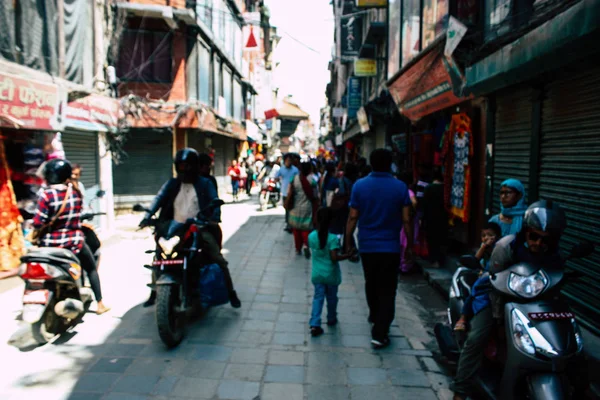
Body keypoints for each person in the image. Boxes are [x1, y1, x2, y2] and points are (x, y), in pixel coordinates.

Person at [451, 201, 568, 399]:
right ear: (526, 231)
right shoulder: (506, 247)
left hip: (533, 304)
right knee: (476, 339)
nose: (539, 244)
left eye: (545, 240)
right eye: (534, 237)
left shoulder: (554, 255)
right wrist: (497, 319)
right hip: (496, 298)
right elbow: (492, 282)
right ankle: (460, 391)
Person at [139, 149, 241, 308]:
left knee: (218, 259)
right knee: (159, 256)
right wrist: (148, 216)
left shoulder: (205, 183)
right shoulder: (172, 183)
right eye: (181, 165)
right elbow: (159, 198)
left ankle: (231, 292)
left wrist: (213, 216)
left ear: (194, 166)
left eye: (187, 165)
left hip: (198, 227)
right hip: (174, 228)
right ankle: (154, 293)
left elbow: (214, 200)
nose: (184, 169)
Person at [346, 149, 413, 349]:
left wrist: (348, 240)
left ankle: (376, 316)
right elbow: (407, 219)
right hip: (390, 246)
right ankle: (380, 330)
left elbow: (352, 216)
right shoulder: (400, 187)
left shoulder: (360, 185)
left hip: (367, 245)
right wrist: (409, 245)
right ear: (390, 164)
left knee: (371, 283)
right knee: (388, 288)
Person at [33, 159, 110, 315]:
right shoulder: (75, 193)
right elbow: (78, 214)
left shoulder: (46, 195)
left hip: (48, 245)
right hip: (73, 243)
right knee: (91, 269)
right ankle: (100, 303)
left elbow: (38, 222)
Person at [308, 207, 355, 337]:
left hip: (317, 275)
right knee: (332, 298)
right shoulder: (333, 238)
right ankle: (331, 318)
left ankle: (315, 323)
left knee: (318, 298)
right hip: (331, 275)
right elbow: (334, 258)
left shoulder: (311, 236)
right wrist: (347, 255)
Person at [453, 222, 501, 332]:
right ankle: (463, 318)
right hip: (484, 278)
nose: (486, 238)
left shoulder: (500, 249)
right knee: (475, 289)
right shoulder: (484, 248)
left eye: (489, 235)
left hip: (497, 278)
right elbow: (475, 260)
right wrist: (484, 246)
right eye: (483, 235)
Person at [288, 162, 319, 258]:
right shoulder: (312, 180)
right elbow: (316, 195)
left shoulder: (294, 178)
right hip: (307, 207)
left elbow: (290, 191)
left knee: (296, 229)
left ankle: (298, 249)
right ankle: (306, 245)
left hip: (295, 207)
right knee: (306, 229)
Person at [422, 168, 447, 268]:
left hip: (430, 217)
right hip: (442, 217)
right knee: (441, 238)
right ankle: (441, 259)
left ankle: (434, 260)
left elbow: (424, 205)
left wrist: (422, 219)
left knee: (432, 239)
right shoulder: (445, 188)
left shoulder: (428, 188)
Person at [198, 152, 223, 250]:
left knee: (215, 249)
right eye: (206, 166)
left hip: (206, 221)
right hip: (186, 221)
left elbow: (215, 199)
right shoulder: (185, 181)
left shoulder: (210, 181)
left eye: (209, 166)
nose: (209, 168)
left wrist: (215, 218)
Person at [399, 170, 418, 273]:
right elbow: (414, 202)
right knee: (406, 242)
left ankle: (401, 265)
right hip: (407, 222)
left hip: (400, 221)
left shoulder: (398, 190)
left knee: (401, 243)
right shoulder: (408, 191)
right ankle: (405, 266)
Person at [275, 154, 299, 233]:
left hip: (294, 192)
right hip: (285, 192)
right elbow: (276, 177)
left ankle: (292, 224)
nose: (289, 162)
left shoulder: (295, 170)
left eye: (290, 160)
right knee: (287, 209)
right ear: (285, 161)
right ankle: (288, 223)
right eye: (287, 160)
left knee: (293, 209)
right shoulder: (281, 169)